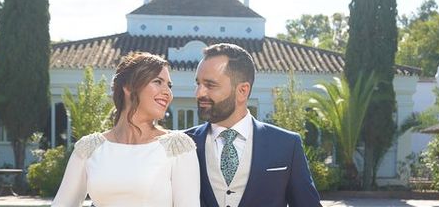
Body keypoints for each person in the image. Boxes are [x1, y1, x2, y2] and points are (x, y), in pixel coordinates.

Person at [52, 52, 200, 207]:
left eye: (169, 86)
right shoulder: (89, 148)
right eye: (158, 81)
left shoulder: (178, 147)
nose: (168, 93)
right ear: (128, 87)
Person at [186, 43, 321, 207]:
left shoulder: (286, 144)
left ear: (242, 91)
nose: (199, 93)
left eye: (210, 85)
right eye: (198, 83)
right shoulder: (183, 144)